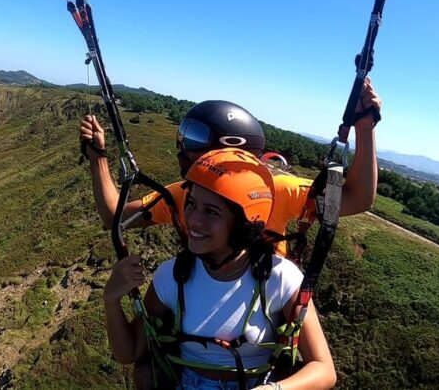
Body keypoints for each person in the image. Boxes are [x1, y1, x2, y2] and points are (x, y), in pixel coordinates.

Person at [103, 149, 337, 389]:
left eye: (212, 212)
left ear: (244, 226)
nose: (193, 219)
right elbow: (130, 352)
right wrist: (111, 299)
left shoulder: (279, 278)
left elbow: (324, 369)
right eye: (192, 203)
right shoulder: (172, 276)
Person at [79, 77, 381, 253]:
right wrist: (99, 160)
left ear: (232, 146)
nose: (183, 146)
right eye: (183, 133)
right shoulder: (186, 193)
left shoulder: (276, 188)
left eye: (194, 136)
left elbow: (358, 198)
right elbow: (114, 217)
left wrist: (365, 128)